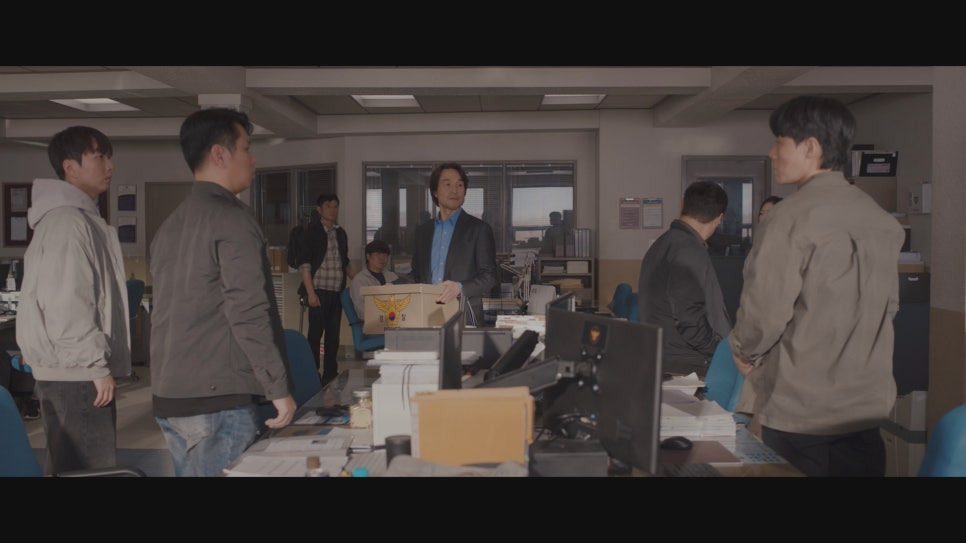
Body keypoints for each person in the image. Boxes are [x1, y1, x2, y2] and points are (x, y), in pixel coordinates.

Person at [729, 96, 905, 477]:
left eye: (779, 141)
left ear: (810, 147)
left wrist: (742, 349)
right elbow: (888, 308)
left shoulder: (788, 218)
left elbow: (764, 314)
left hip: (801, 410)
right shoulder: (881, 220)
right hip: (865, 408)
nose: (772, 152)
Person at [150, 107, 295, 477]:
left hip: (172, 396)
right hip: (218, 401)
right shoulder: (232, 219)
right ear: (219, 154)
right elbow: (247, 310)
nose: (252, 158)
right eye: (246, 148)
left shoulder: (170, 224)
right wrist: (277, 388)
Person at [16, 126, 131, 474]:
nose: (109, 165)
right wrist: (94, 365)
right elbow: (68, 303)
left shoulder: (74, 218)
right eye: (100, 156)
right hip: (76, 372)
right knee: (87, 472)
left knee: (68, 469)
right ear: (70, 167)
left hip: (71, 370)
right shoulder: (67, 222)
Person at [637, 181, 731, 376]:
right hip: (688, 366)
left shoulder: (664, 243)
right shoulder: (688, 250)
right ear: (719, 218)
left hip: (666, 359)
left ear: (683, 205)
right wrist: (723, 352)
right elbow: (690, 321)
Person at [408, 162, 497, 326]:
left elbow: (489, 277)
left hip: (464, 315)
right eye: (447, 184)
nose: (454, 190)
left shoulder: (479, 229)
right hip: (427, 314)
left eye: (459, 185)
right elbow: (416, 275)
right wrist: (391, 286)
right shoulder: (423, 232)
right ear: (435, 191)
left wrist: (459, 288)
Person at [297, 193, 354, 384]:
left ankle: (330, 374)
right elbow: (305, 265)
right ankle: (313, 374)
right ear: (319, 209)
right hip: (318, 291)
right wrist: (310, 293)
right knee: (315, 335)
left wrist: (358, 281)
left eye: (335, 206)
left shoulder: (341, 233)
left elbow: (345, 262)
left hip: (337, 292)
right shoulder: (311, 233)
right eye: (328, 206)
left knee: (333, 336)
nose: (332, 210)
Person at [350, 239, 400, 319]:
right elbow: (361, 309)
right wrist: (382, 315)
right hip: (373, 321)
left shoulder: (392, 276)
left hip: (394, 318)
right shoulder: (359, 280)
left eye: (385, 254)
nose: (382, 258)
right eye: (378, 254)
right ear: (368, 256)